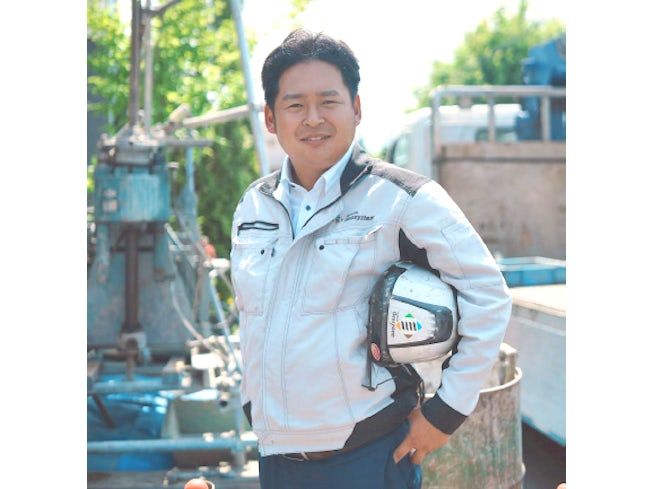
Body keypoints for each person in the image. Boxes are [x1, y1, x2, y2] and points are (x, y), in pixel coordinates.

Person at [229, 29, 512, 489]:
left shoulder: (403, 199)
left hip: (367, 457)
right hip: (276, 458)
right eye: (295, 105)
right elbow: (252, 318)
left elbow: (488, 295)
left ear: (356, 109)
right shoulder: (253, 207)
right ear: (271, 118)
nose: (313, 119)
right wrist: (252, 405)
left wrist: (445, 413)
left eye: (329, 102)